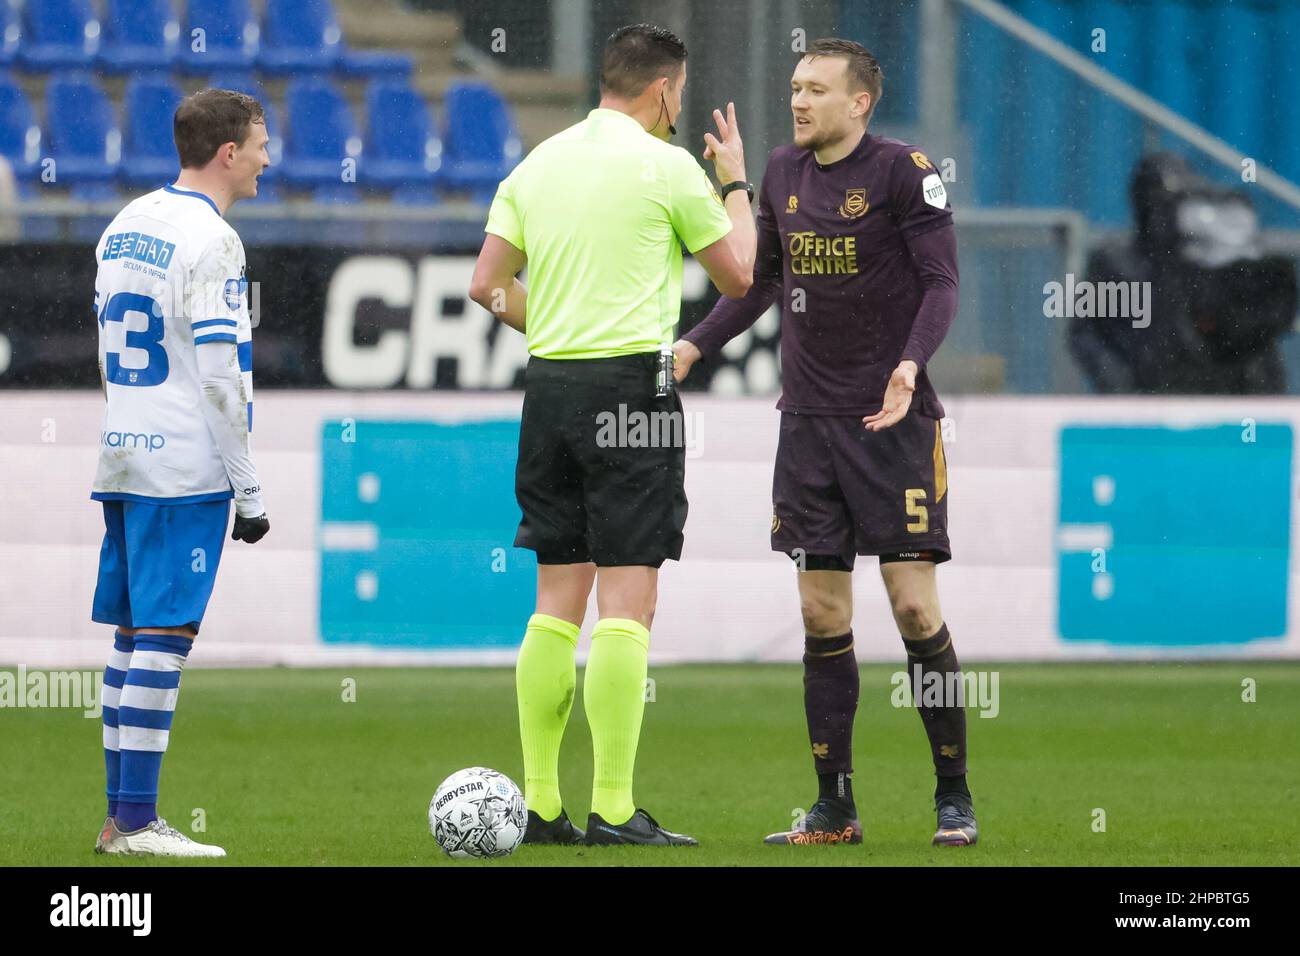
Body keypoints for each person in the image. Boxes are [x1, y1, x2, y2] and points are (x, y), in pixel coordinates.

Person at [674, 38, 977, 847]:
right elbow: (763, 281)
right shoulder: (781, 171)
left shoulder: (905, 172)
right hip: (808, 427)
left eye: (816, 89)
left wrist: (911, 365)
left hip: (893, 424)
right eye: (795, 88)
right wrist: (695, 344)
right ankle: (834, 807)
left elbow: (944, 283)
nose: (799, 100)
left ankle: (953, 795)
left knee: (914, 607)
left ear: (860, 103)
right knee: (819, 611)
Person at [469, 23, 757, 846]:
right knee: (628, 600)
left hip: (550, 386)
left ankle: (541, 808)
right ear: (666, 91)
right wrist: (733, 183)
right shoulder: (669, 168)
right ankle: (617, 809)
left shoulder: (537, 162)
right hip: (633, 385)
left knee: (556, 600)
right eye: (680, 94)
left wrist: (554, 321)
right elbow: (740, 275)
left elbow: (486, 285)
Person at [92, 88, 271, 857]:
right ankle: (136, 823)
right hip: (183, 465)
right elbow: (220, 376)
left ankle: (117, 817)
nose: (269, 157)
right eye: (261, 143)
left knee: (132, 637)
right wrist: (251, 487)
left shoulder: (125, 222)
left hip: (123, 448)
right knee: (165, 637)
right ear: (228, 152)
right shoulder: (214, 241)